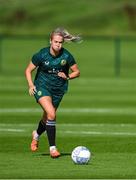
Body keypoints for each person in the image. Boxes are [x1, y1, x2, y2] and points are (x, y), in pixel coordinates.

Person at [25, 27, 82, 158]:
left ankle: (36, 135)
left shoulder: (66, 56)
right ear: (50, 41)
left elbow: (77, 72)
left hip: (58, 90)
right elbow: (28, 70)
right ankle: (53, 149)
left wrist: (67, 77)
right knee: (51, 114)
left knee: (47, 117)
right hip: (41, 87)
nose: (58, 44)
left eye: (60, 42)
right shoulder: (41, 54)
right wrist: (31, 85)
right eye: (56, 41)